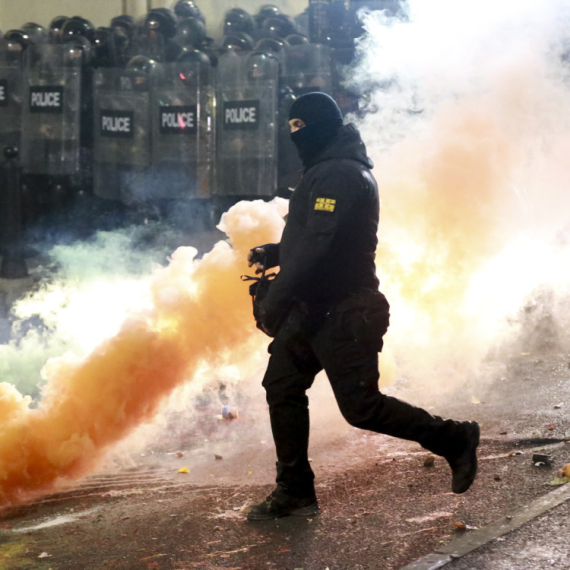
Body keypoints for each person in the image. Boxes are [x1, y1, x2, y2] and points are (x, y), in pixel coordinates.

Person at [246, 92, 480, 521]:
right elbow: (317, 238)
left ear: (319, 127)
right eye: (291, 130)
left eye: (300, 129)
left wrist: (275, 302)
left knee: (362, 409)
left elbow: (320, 245)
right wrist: (277, 252)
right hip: (313, 310)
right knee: (282, 386)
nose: (296, 137)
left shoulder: (339, 174)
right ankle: (295, 489)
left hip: (344, 312)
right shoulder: (326, 168)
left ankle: (453, 438)